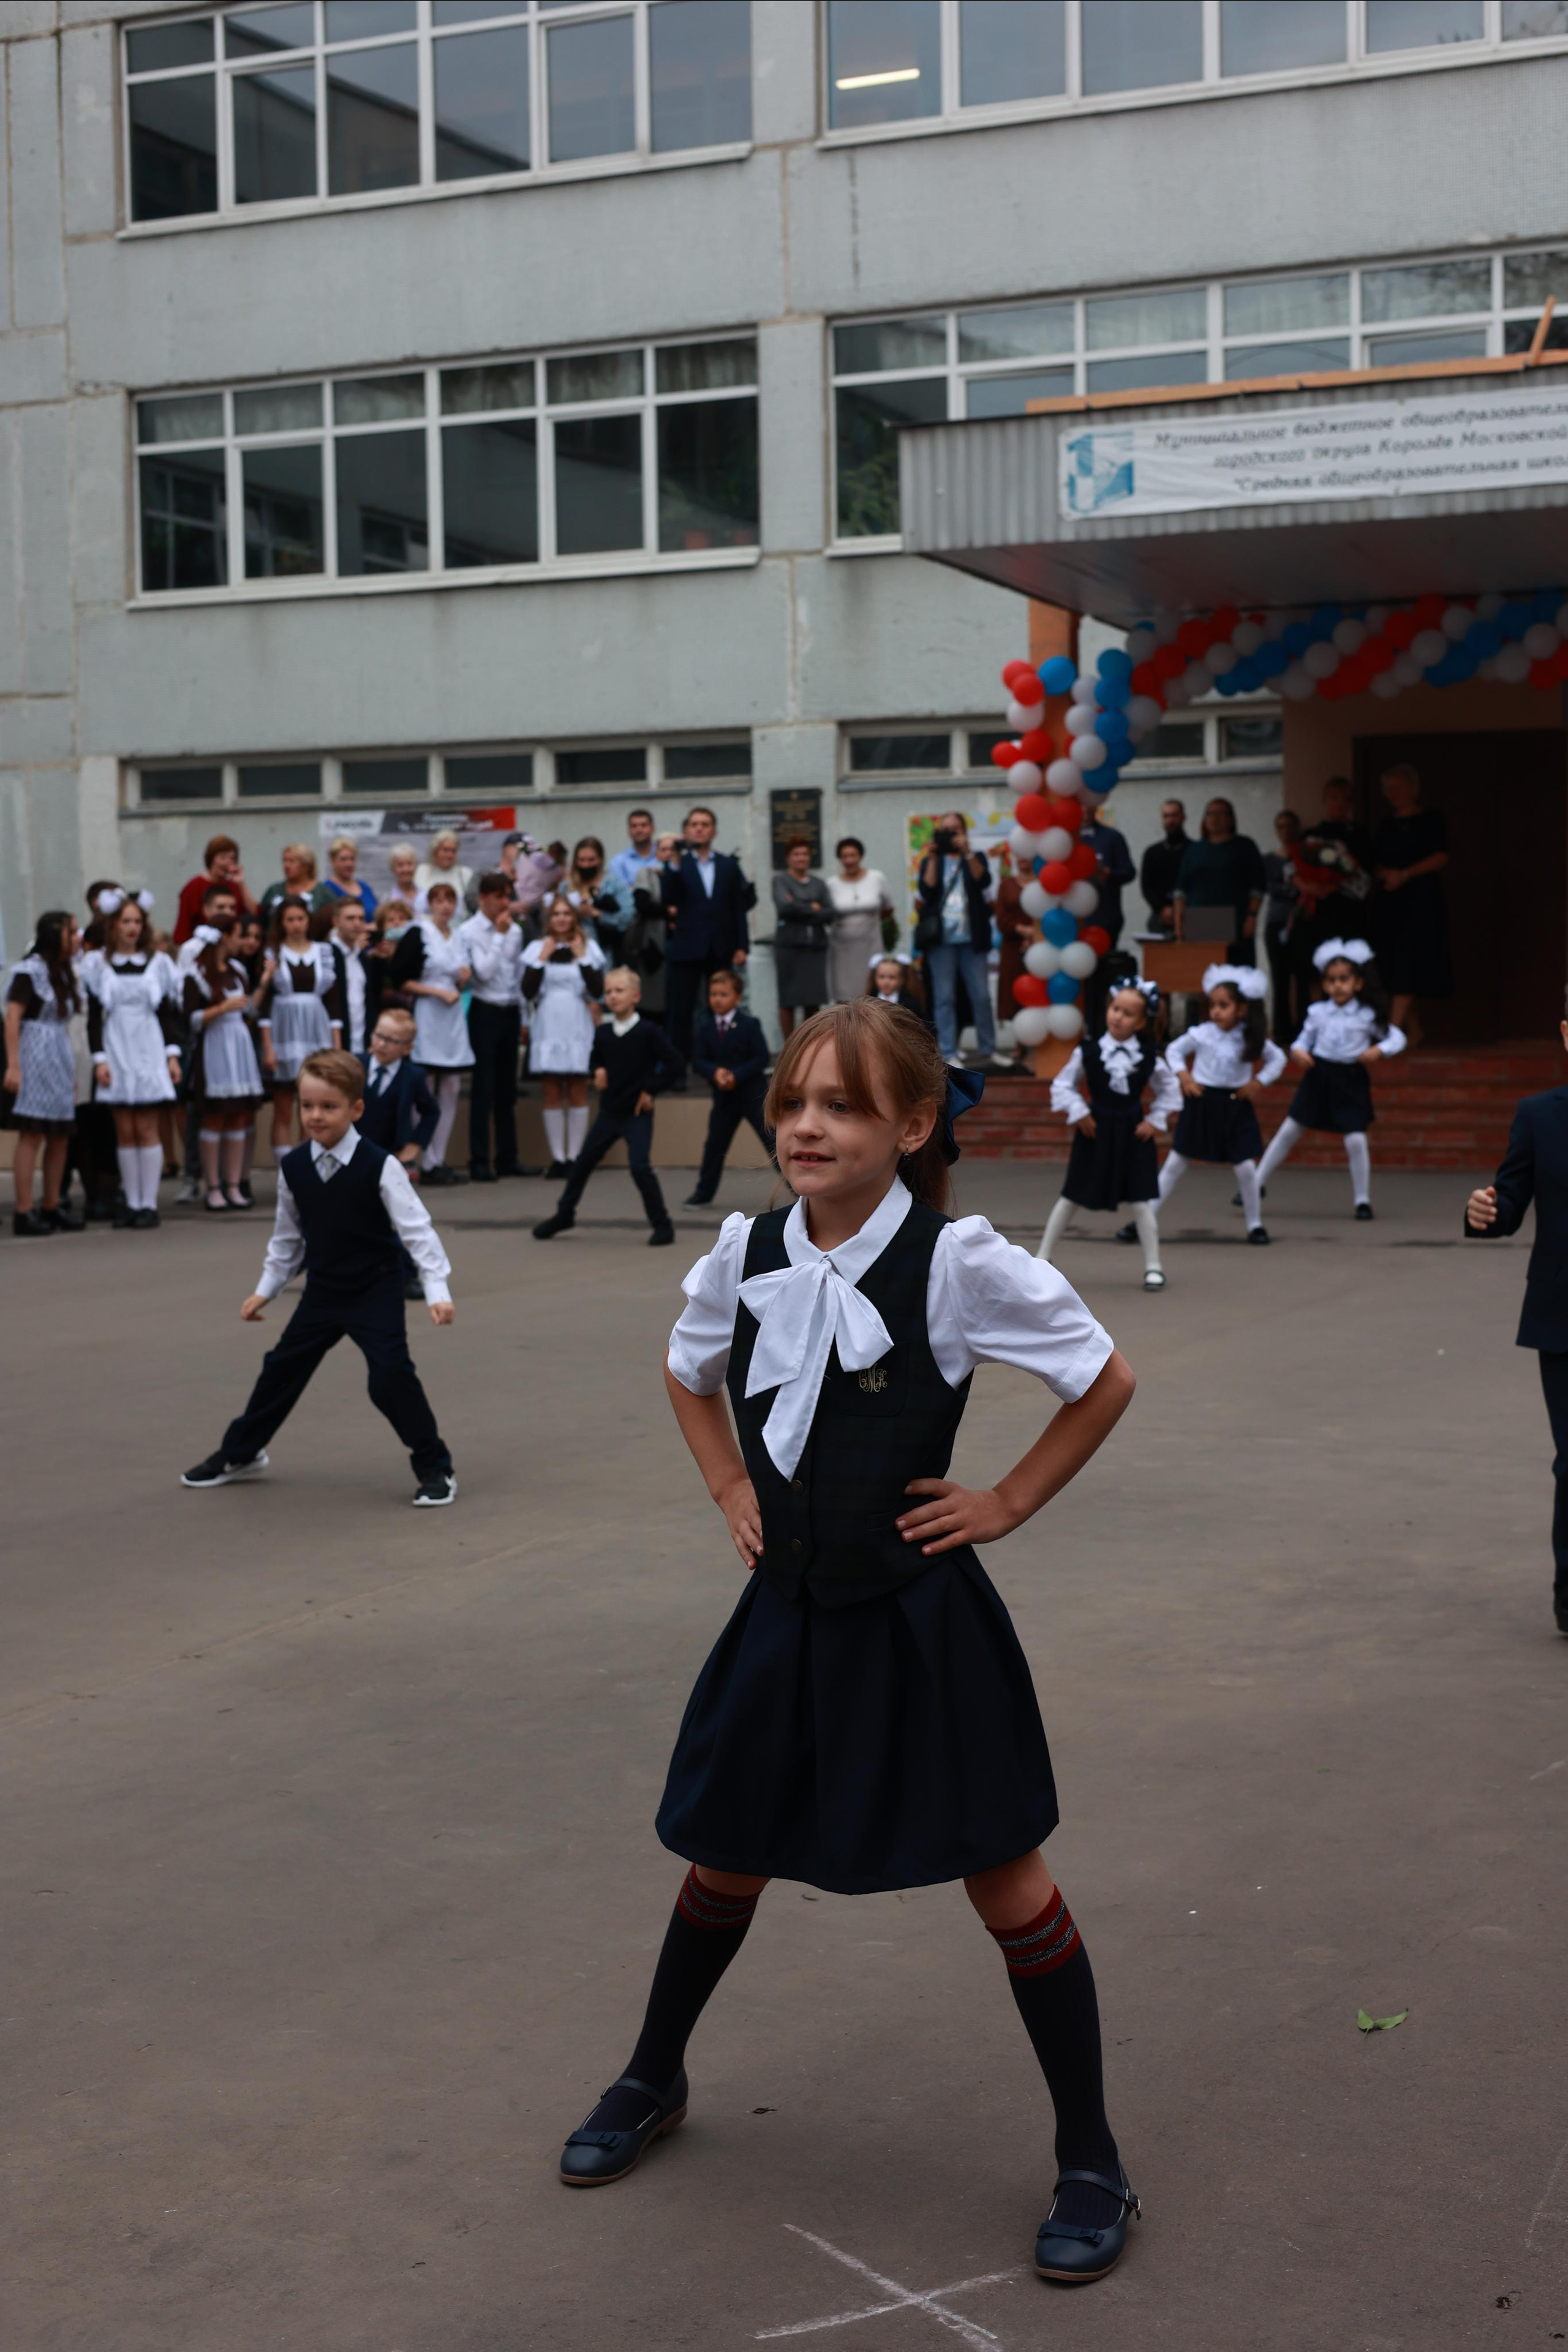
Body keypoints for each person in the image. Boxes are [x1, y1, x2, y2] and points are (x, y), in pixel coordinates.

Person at [557, 1002, 1142, 2289]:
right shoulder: (749, 1246)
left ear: (913, 1126)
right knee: (725, 1855)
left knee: (1007, 1879)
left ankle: (1092, 2156)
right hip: (788, 1613)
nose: (806, 1128)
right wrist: (729, 1486)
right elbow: (687, 1372)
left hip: (919, 1622)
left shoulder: (956, 1262)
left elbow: (1101, 1377)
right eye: (792, 1104)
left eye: (841, 1106)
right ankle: (653, 2075)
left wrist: (1007, 1499)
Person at [180, 1049, 457, 1509]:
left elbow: (418, 1231)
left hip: (374, 1289)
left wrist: (437, 1291)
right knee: (281, 1370)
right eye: (307, 1105)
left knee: (389, 1378)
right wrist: (265, 1290)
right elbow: (288, 1238)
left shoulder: (380, 1165)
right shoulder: (293, 1167)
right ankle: (242, 1453)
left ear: (356, 1109)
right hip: (324, 1292)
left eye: (329, 1106)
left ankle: (435, 1466)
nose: (315, 1116)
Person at [1465, 1020, 1568, 1635]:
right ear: (1566, 1033)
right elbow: (1508, 1204)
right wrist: (1485, 1210)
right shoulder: (1538, 1116)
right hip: (1562, 1313)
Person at [1039, 980, 1180, 1291]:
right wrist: (1079, 1112)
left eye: (1128, 1014)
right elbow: (1063, 1084)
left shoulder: (1149, 1055)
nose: (1118, 1017)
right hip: (1095, 1130)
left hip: (1133, 1133)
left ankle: (1154, 1265)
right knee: (1071, 1195)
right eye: (1116, 1009)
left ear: (1141, 1022)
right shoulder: (1089, 1050)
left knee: (1141, 1200)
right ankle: (1042, 1257)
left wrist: (1155, 1120)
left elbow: (1170, 1089)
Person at [1256, 938, 1406, 1218]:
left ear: (1358, 983)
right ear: (1324, 985)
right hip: (1320, 1076)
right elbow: (1303, 1040)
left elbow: (1397, 1038)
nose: (1338, 985)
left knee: (1355, 1139)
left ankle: (1362, 1199)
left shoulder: (1367, 1014)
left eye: (1344, 979)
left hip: (1350, 1078)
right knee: (1289, 1129)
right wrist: (1299, 1052)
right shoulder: (1318, 1012)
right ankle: (1255, 1183)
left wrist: (1379, 1050)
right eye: (1332, 980)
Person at [533, 968, 680, 1246]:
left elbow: (675, 1064)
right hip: (610, 1113)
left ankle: (663, 1225)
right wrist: (596, 1072)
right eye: (609, 992)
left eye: (619, 991)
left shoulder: (648, 1031)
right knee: (582, 1163)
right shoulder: (603, 1033)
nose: (613, 996)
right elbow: (594, 1061)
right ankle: (565, 1214)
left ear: (636, 996)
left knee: (640, 1167)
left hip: (637, 1114)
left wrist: (651, 1090)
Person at [1144, 965, 1285, 1243]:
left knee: (1245, 1167)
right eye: (1213, 1005)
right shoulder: (1203, 1033)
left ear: (1241, 1009)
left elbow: (1278, 1058)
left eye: (1224, 1005)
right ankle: (1145, 1221)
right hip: (1202, 1103)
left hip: (1235, 1106)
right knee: (1175, 1163)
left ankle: (1255, 1224)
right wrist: (1185, 1077)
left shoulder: (1250, 1036)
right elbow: (1174, 1050)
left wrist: (1258, 1082)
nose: (1216, 1011)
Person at [84, 889, 183, 1229]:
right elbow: (94, 1018)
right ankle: (132, 1201)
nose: (132, 927)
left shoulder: (158, 963)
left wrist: (172, 1056)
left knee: (147, 1127)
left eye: (137, 921)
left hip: (148, 1046)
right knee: (125, 1129)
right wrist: (99, 1059)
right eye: (126, 921)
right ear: (113, 925)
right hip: (116, 1046)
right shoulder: (97, 964)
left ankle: (149, 1204)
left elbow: (167, 1014)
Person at [5, 911, 83, 1237]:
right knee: (33, 1133)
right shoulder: (29, 971)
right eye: (72, 932)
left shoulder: (63, 972)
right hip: (33, 1052)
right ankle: (24, 1210)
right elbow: (12, 1017)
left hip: (58, 1053)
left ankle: (51, 1205)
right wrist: (13, 1065)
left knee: (60, 1135)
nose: (77, 938)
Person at [184, 911, 267, 1213]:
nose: (241, 942)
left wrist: (263, 984)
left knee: (238, 1116)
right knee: (215, 1116)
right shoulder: (197, 974)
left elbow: (250, 1009)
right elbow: (190, 1018)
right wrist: (221, 1008)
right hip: (215, 1046)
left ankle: (233, 1185)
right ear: (224, 937)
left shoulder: (237, 970)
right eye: (237, 935)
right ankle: (213, 1186)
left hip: (239, 1045)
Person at [357, 1006, 441, 1300]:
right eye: (379, 1035)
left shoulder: (412, 1076)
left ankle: (406, 1273)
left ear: (407, 1048)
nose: (381, 1044)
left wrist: (414, 1147)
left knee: (392, 1216)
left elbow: (431, 1112)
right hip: (354, 1155)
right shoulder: (354, 1066)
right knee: (353, 1213)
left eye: (391, 1040)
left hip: (388, 1158)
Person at [660, 807, 753, 1058]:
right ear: (686, 830)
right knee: (681, 1009)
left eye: (705, 824)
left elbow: (738, 909)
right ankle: (679, 1065)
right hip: (686, 946)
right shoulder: (679, 864)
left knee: (722, 1005)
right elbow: (668, 898)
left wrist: (742, 946)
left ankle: (719, 1061)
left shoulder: (728, 865)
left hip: (720, 946)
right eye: (694, 824)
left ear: (714, 831)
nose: (699, 829)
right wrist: (674, 862)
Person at [522, 896, 606, 1174]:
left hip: (577, 1019)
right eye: (556, 914)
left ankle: (576, 1156)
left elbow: (597, 990)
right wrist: (541, 958)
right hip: (549, 1020)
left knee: (578, 1087)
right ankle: (559, 1158)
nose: (561, 919)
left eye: (566, 913)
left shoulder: (588, 947)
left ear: (574, 917)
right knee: (552, 1088)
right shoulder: (537, 947)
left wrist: (582, 957)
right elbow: (528, 991)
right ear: (549, 918)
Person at [258, 897, 343, 1156]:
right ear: (281, 923)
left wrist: (337, 1045)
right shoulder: (273, 953)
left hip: (316, 1030)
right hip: (284, 1031)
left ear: (309, 920)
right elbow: (265, 1006)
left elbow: (333, 1002)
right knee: (283, 1107)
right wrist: (268, 1047)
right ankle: (285, 1169)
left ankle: (309, 1164)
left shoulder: (323, 952)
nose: (296, 925)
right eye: (290, 920)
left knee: (312, 1105)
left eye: (300, 919)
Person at [1375, 763, 1452, 1044]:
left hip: (1421, 901)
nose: (1393, 793)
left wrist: (1406, 874)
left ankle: (1393, 1033)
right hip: (1390, 902)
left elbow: (1442, 856)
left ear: (1413, 788)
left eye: (1398, 787)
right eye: (1388, 789)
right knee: (1396, 965)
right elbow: (1375, 860)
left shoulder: (1431, 819)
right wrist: (1386, 874)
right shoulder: (1385, 825)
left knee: (1410, 962)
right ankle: (1415, 1030)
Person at [459, 871, 529, 1182]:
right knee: (483, 1087)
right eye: (499, 897)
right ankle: (479, 1160)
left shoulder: (515, 931)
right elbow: (483, 974)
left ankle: (507, 1157)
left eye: (508, 897)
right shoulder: (469, 931)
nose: (505, 904)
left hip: (509, 1010)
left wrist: (524, 1016)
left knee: (507, 1089)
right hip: (484, 1011)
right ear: (484, 898)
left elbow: (516, 975)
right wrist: (499, 936)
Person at [916, 810, 998, 1070]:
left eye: (956, 829)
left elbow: (983, 880)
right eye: (946, 830)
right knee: (944, 998)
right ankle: (948, 1051)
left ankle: (988, 1049)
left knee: (981, 996)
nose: (951, 834)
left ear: (964, 832)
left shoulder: (975, 857)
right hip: (941, 940)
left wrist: (968, 852)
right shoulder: (933, 861)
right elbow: (927, 890)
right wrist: (932, 857)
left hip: (972, 939)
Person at [683, 968, 771, 1210]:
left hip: (752, 1096)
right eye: (713, 994)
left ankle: (800, 1191)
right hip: (724, 1100)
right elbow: (698, 1060)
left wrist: (736, 1075)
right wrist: (715, 1072)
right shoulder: (705, 1027)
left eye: (724, 994)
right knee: (714, 1147)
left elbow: (761, 1057)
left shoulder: (749, 1024)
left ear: (737, 997)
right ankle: (703, 1193)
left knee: (772, 1141)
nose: (717, 999)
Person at [1171, 799, 1266, 963]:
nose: (1214, 818)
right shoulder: (1194, 849)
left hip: (1235, 921)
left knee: (1235, 970)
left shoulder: (1245, 846)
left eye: (1220, 813)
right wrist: (1179, 925)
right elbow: (1181, 890)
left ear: (1230, 818)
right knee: (1200, 969)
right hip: (1199, 921)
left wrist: (1252, 916)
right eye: (1210, 813)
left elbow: (1258, 886)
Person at [771, 837, 835, 1038]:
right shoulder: (781, 880)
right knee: (788, 1000)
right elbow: (785, 907)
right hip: (789, 948)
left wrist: (798, 904)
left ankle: (809, 1046)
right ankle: (790, 1047)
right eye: (796, 854)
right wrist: (813, 908)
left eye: (805, 854)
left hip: (815, 948)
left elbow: (830, 913)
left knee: (813, 1000)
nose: (801, 858)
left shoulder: (819, 884)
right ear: (788, 858)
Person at [826, 837, 894, 1004]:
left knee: (871, 991)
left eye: (853, 855)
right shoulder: (831, 884)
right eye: (845, 856)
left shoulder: (877, 878)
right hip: (842, 949)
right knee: (844, 995)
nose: (849, 860)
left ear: (860, 856)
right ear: (840, 859)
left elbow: (888, 908)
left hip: (871, 944)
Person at [1262, 811, 1303, 1046]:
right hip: (1276, 922)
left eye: (1290, 826)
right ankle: (1281, 1030)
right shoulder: (1268, 860)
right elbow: (1270, 888)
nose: (1286, 831)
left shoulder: (1305, 857)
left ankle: (1303, 1028)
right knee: (1279, 977)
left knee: (1302, 977)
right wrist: (1293, 887)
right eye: (1281, 826)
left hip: (1301, 922)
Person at [174, 835, 256, 945]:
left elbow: (254, 913)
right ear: (211, 859)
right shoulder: (194, 887)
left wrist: (241, 883)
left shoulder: (235, 886)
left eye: (232, 858)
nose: (228, 862)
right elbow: (184, 927)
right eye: (223, 857)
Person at [1079, 801, 1135, 951]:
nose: (1085, 809)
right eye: (1081, 805)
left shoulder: (1112, 837)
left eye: (1089, 804)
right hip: (1073, 918)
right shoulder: (1065, 839)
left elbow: (1129, 872)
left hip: (1105, 918)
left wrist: (1108, 875)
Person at [327, 898, 371, 1065]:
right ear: (336, 921)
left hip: (362, 1042)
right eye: (350, 918)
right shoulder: (326, 954)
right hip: (335, 1041)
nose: (357, 924)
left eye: (361, 918)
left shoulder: (363, 958)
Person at [1139, 800, 1189, 934]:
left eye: (1174, 815)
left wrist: (1182, 909)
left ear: (1183, 817)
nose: (1170, 820)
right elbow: (1146, 886)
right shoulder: (1152, 853)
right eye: (1166, 816)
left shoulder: (1194, 851)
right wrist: (1162, 909)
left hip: (1190, 916)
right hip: (1160, 917)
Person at [311, 835, 377, 929]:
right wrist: (364, 928)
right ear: (332, 861)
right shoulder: (325, 890)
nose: (349, 864)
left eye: (352, 859)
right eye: (343, 859)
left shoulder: (365, 887)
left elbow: (378, 915)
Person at [867, 952, 935, 1036]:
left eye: (892, 977)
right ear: (874, 978)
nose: (886, 982)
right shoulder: (868, 1002)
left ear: (901, 980)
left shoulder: (911, 1004)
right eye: (882, 977)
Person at [609, 809, 663, 908]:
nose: (639, 830)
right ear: (629, 831)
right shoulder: (618, 862)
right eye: (634, 826)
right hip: (632, 913)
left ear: (653, 829)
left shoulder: (665, 856)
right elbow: (621, 894)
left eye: (644, 825)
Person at [258, 843, 317, 930]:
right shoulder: (274, 890)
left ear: (306, 866)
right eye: (285, 861)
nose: (286, 866)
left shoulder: (322, 893)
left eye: (292, 861)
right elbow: (259, 917)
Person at [414, 829, 475, 914]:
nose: (449, 855)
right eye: (446, 850)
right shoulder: (421, 871)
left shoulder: (466, 874)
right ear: (435, 851)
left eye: (453, 851)